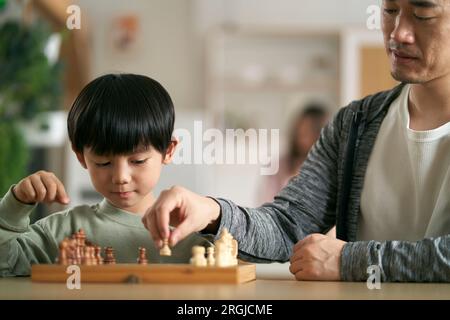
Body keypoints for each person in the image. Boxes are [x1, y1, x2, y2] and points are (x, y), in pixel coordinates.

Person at [142, 0, 450, 282]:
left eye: (423, 14)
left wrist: (349, 261)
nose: (399, 33)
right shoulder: (355, 123)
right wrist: (211, 212)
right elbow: (288, 225)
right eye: (390, 11)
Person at [0, 73, 211, 277]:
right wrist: (15, 205)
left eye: (137, 161)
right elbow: (5, 264)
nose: (120, 177)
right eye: (103, 162)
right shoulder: (62, 231)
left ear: (169, 150)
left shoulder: (191, 231)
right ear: (81, 156)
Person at [258, 104, 328, 205]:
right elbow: (264, 204)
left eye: (309, 132)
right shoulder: (278, 167)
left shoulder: (330, 171)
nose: (302, 138)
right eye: (301, 132)